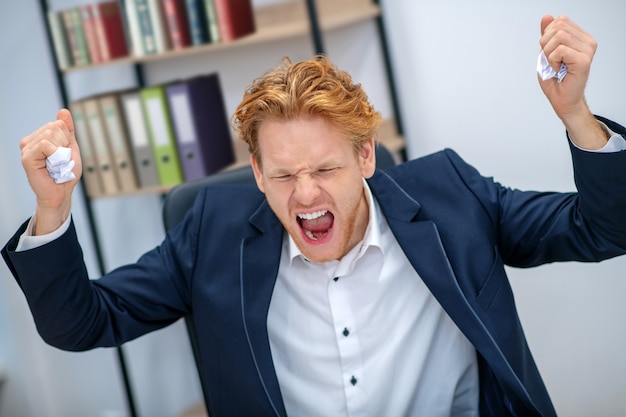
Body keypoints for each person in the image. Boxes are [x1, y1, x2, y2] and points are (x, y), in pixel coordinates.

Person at [3, 14, 626, 417]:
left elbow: (605, 228)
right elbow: (80, 324)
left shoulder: (449, 194)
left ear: (365, 157)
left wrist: (577, 116)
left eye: (325, 170)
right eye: (282, 175)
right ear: (255, 173)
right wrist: (53, 208)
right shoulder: (213, 231)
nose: (304, 196)